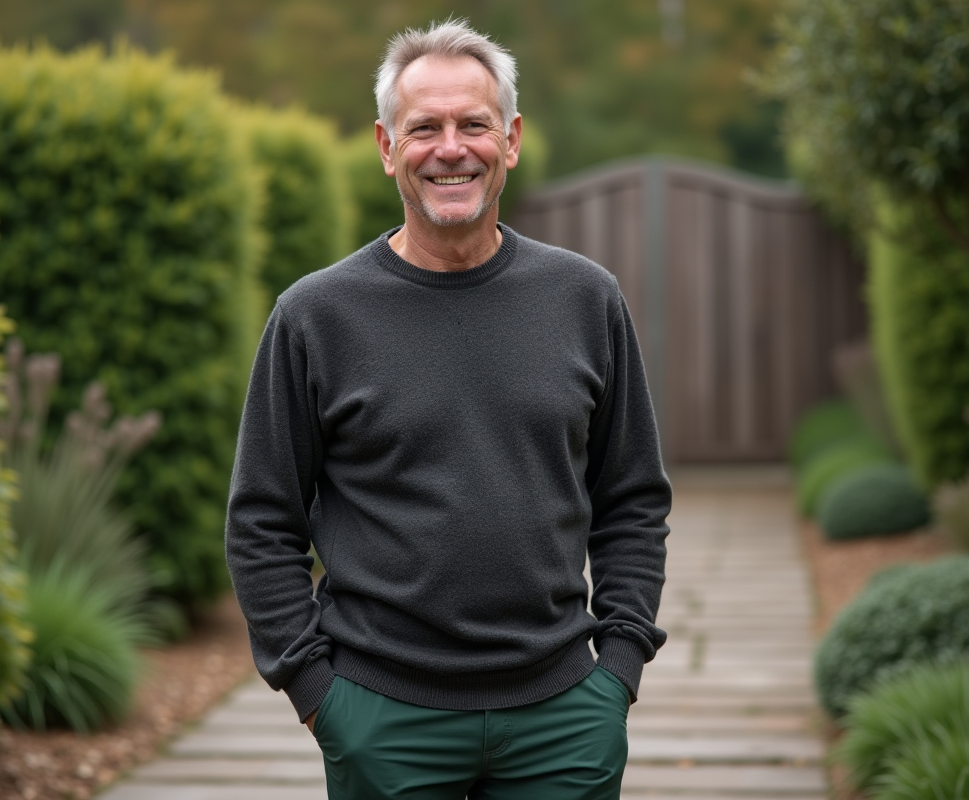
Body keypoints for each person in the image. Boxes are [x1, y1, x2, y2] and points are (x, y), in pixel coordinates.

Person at [225, 18, 670, 800]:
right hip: (382, 717)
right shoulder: (316, 317)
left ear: (512, 139)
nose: (451, 148)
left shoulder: (584, 299)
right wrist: (319, 696)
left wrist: (619, 673)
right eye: (424, 128)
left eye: (474, 124)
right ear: (386, 146)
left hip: (564, 715)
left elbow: (632, 498)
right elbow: (261, 520)